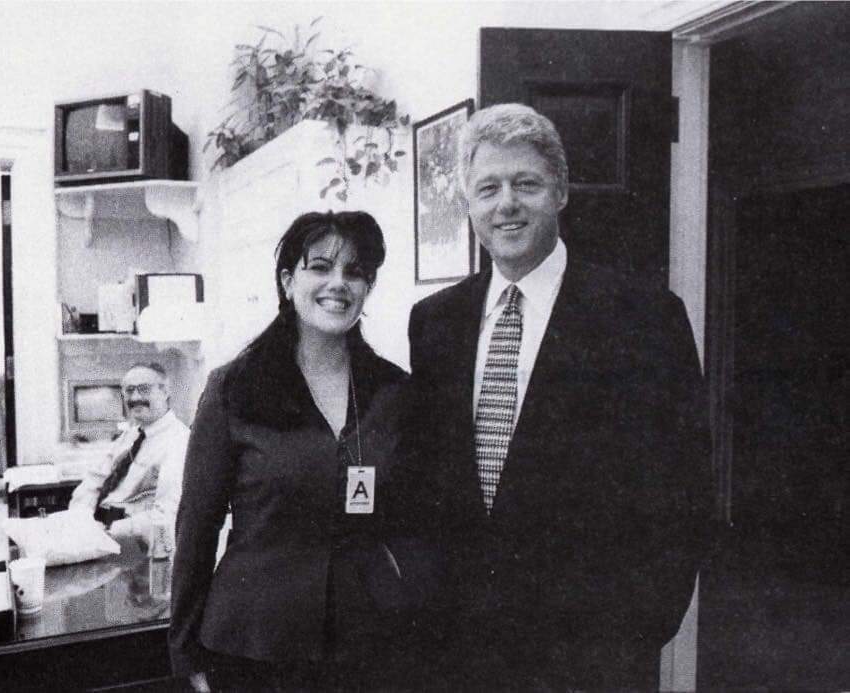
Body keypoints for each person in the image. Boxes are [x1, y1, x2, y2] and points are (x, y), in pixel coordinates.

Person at [406, 103, 713, 689]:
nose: (507, 205)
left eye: (527, 184)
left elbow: (685, 487)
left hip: (593, 657)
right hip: (461, 653)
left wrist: (638, 630)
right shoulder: (435, 322)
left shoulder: (644, 316)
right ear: (468, 202)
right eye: (487, 188)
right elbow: (430, 484)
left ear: (562, 191)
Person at [169, 211, 412, 692]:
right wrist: (184, 648)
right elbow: (196, 527)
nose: (337, 283)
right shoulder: (234, 388)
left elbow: (411, 521)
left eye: (355, 271)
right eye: (320, 267)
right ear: (287, 281)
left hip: (366, 645)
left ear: (368, 287)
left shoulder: (394, 391)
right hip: (253, 644)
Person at [69, 362, 189, 545]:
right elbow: (93, 481)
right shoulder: (131, 435)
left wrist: (110, 530)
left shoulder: (179, 442)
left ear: (165, 392)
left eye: (144, 389)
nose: (135, 397)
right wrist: (81, 517)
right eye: (129, 390)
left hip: (131, 540)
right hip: (95, 531)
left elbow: (166, 513)